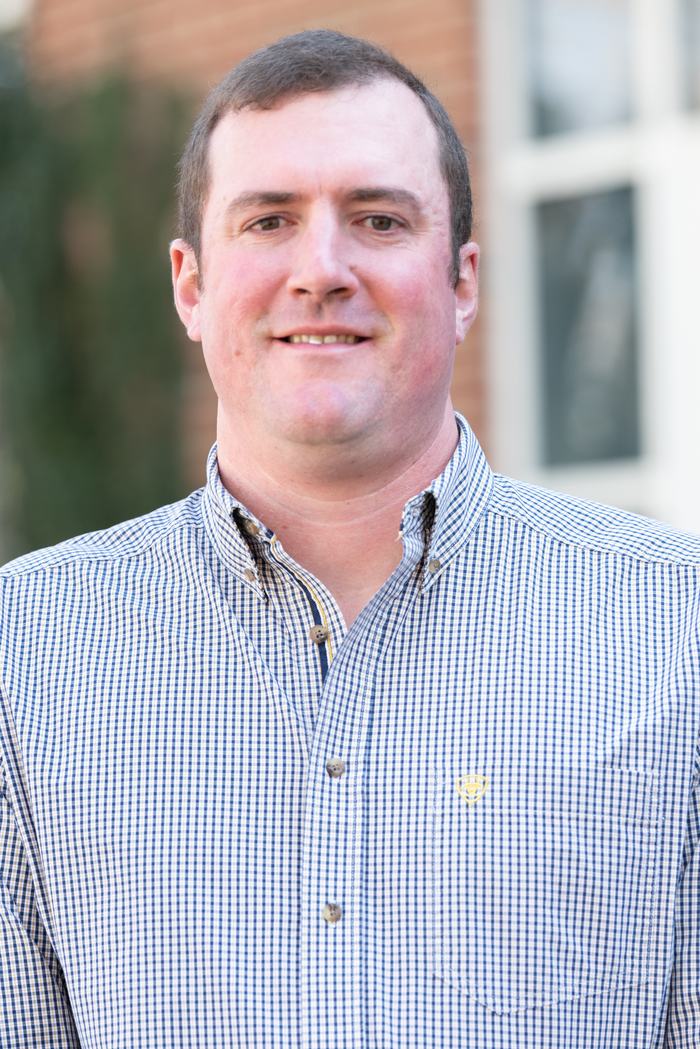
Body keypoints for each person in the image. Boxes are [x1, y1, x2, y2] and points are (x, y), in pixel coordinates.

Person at [0, 28, 698, 1049]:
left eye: (377, 219)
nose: (321, 269)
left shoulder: (675, 629)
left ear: (462, 281)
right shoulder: (24, 654)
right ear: (190, 285)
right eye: (269, 220)